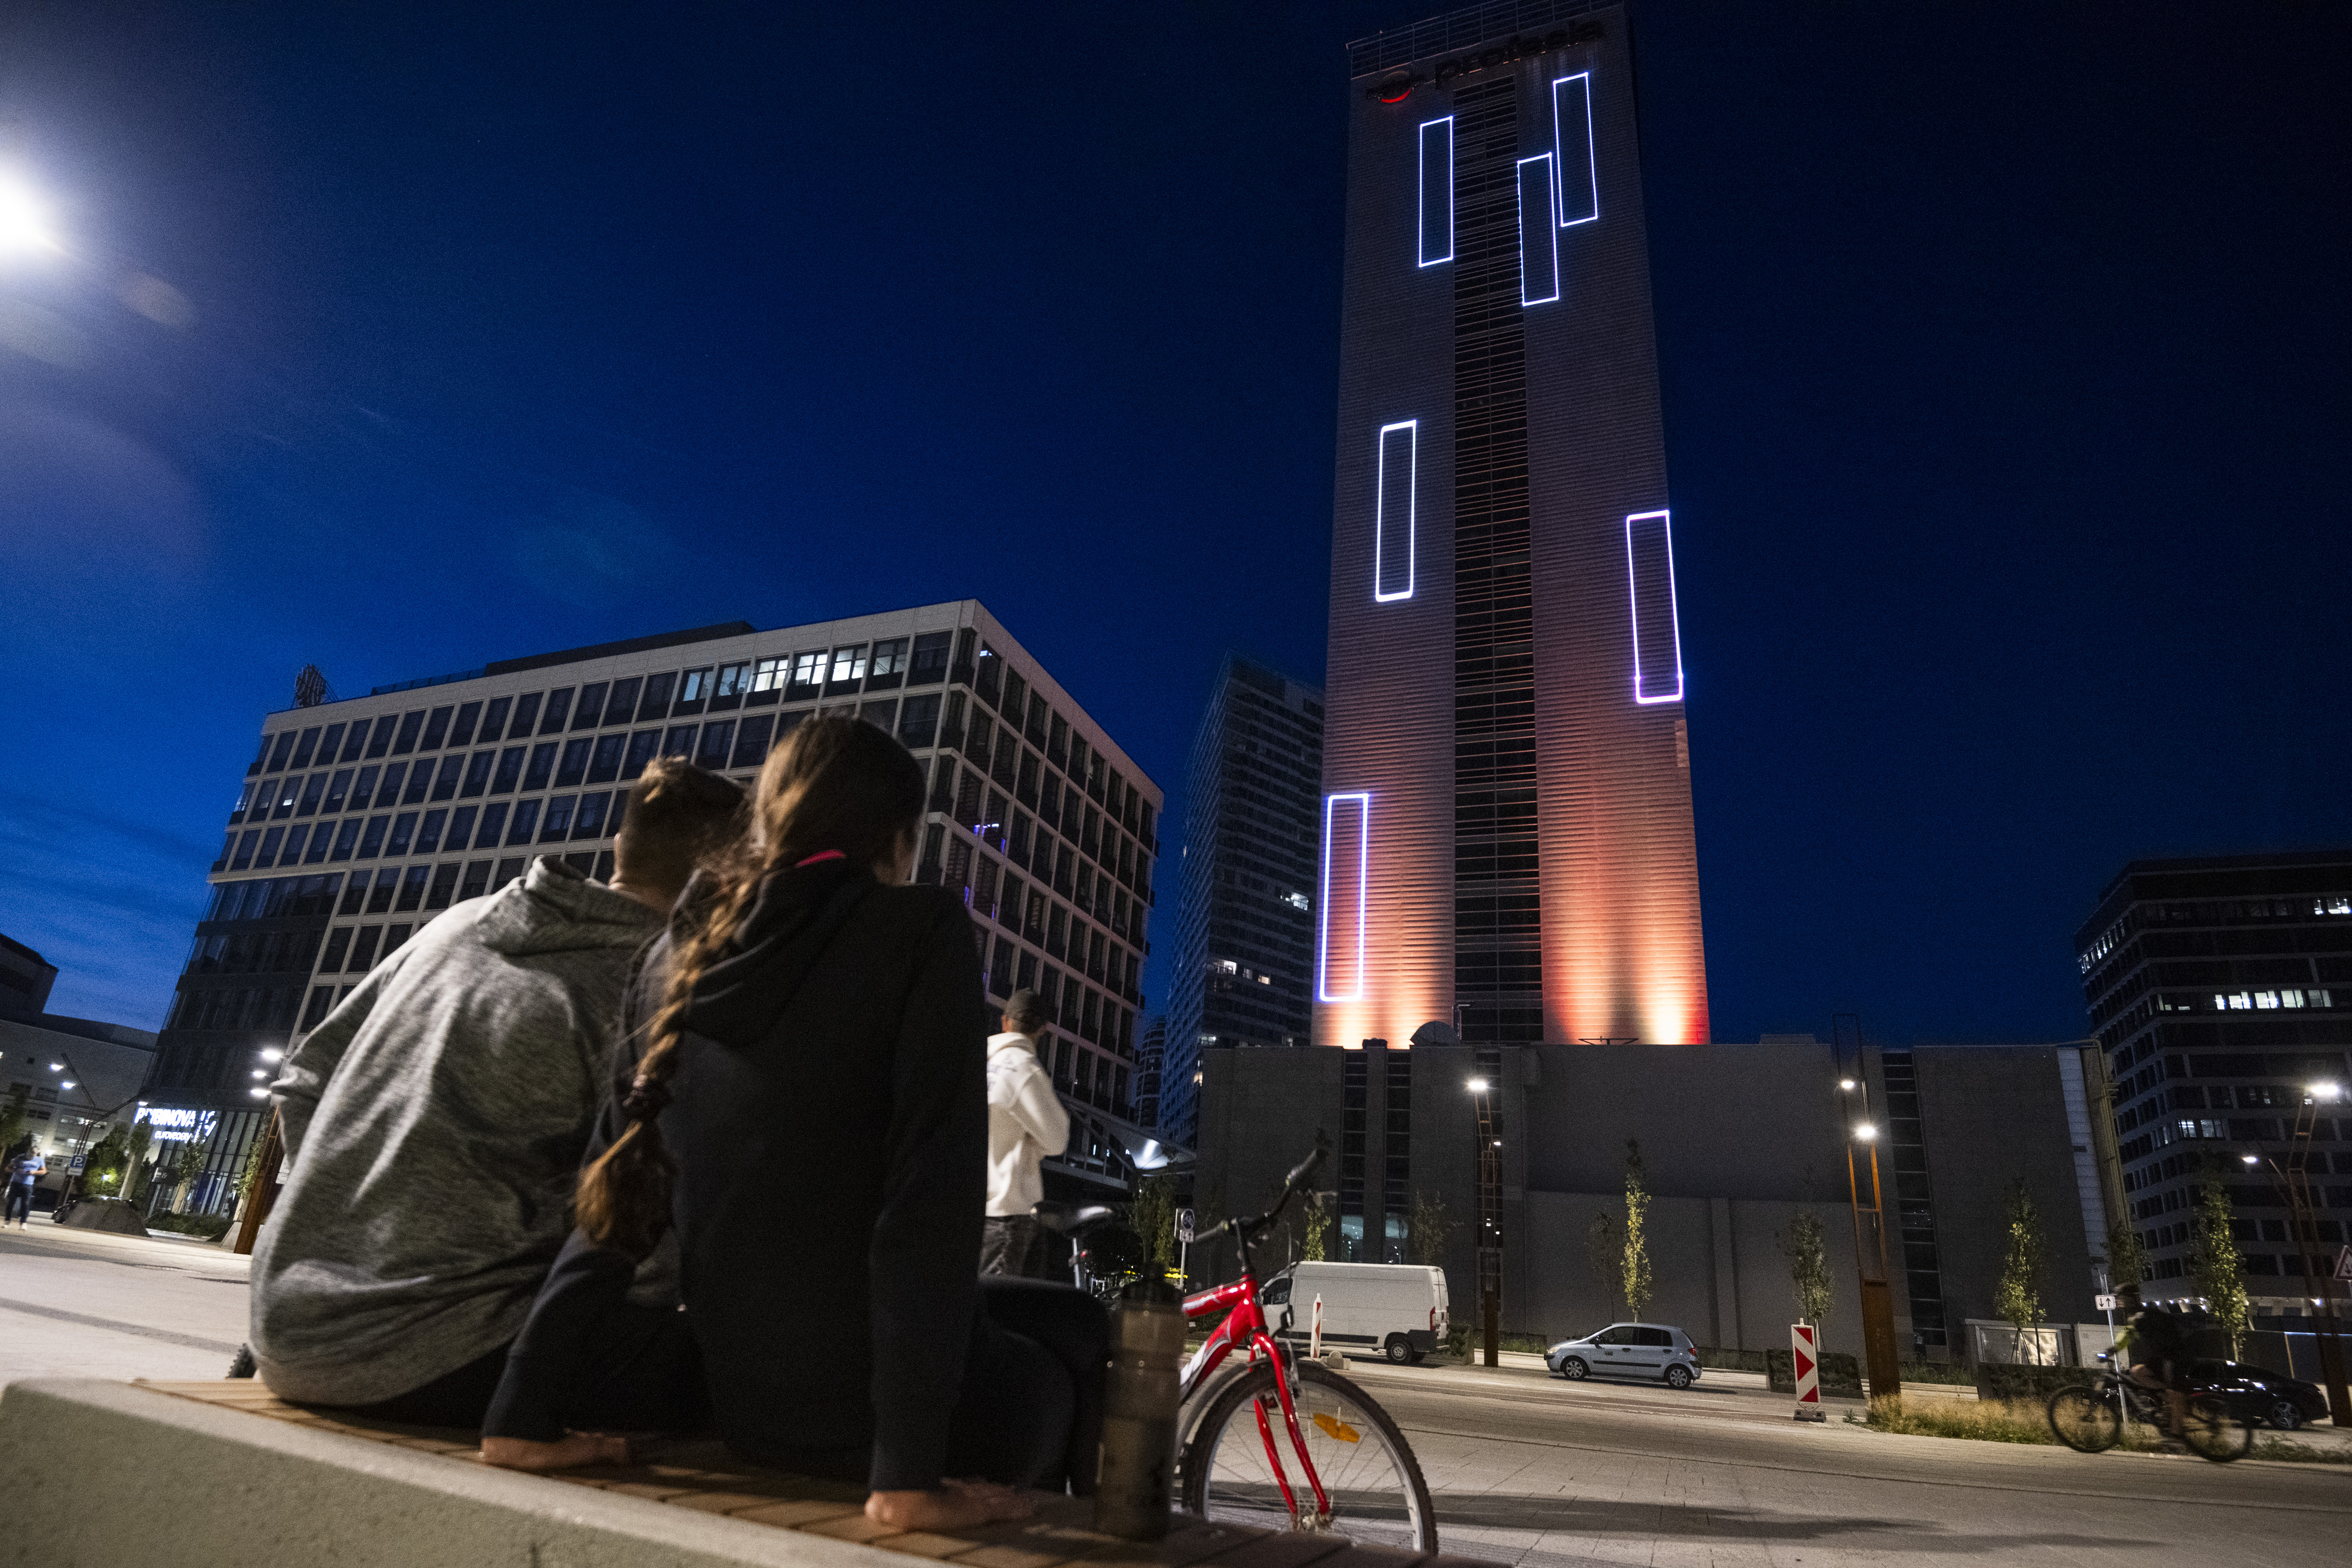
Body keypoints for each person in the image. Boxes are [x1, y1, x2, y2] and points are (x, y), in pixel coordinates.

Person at [480, 717, 1106, 1536]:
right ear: (896, 837)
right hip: (870, 1428)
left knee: (1046, 1316)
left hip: (744, 1401)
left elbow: (613, 1196)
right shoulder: (919, 930)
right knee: (1078, 1343)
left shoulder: (677, 956)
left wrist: (517, 1414)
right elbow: (927, 1201)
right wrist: (908, 1476)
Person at [249, 759, 746, 1425]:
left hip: (289, 1328)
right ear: (723, 883)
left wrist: (347, 1217)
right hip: (446, 1349)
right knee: (779, 1383)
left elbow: (304, 1080)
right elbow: (641, 1238)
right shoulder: (647, 993)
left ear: (621, 848)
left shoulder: (458, 926)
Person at [982, 988, 1068, 1279]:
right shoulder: (1024, 1070)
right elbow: (1057, 1139)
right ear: (1042, 1030)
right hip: (1011, 1214)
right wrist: (1032, 1138)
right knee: (1007, 1312)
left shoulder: (980, 1064)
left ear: (1005, 1022)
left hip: (976, 1209)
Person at [2118, 1296, 2190, 1440]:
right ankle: (2170, 1401)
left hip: (2177, 1355)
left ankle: (2176, 1436)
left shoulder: (2148, 1315)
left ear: (2131, 1298)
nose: (2119, 1303)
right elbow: (2127, 1335)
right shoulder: (2136, 1317)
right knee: (2137, 1372)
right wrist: (2113, 1349)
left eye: (2121, 1299)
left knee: (2174, 1392)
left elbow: (2131, 1333)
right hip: (2161, 1357)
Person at [4, 1148, 45, 1227]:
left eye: (32, 1157)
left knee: (25, 1204)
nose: (30, 1157)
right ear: (27, 1152)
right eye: (29, 1155)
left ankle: (23, 1222)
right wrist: (16, 1170)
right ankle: (7, 1220)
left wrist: (34, 1172)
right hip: (16, 1183)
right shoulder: (19, 1158)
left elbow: (43, 1172)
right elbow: (8, 1168)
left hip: (28, 1184)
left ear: (36, 1155)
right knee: (11, 1202)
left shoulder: (39, 1160)